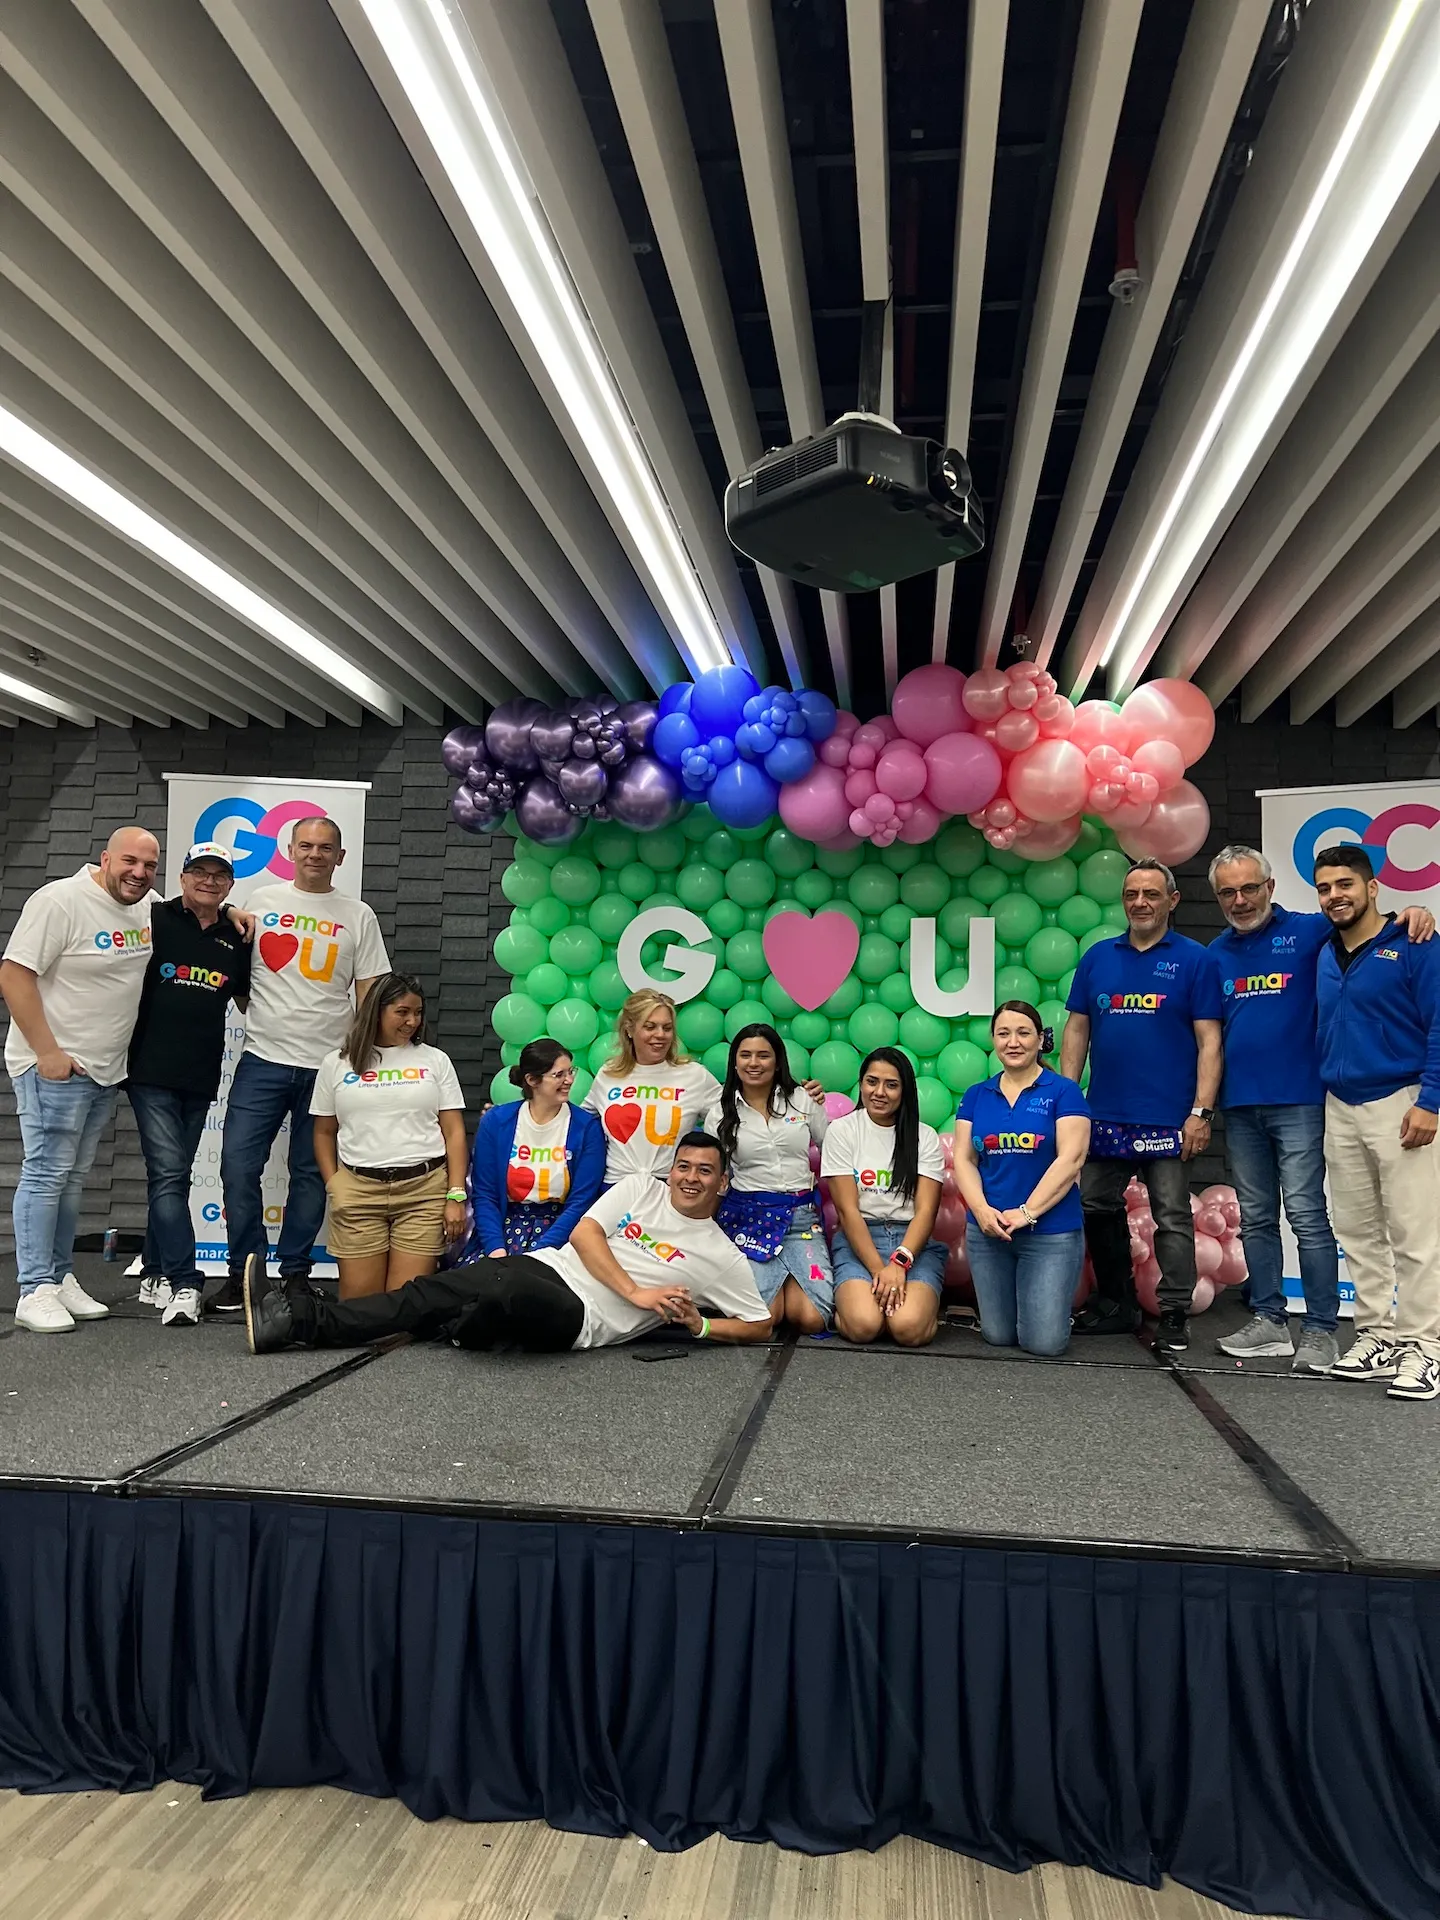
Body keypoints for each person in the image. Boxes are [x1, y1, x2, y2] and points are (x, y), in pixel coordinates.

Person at [1207, 844, 1434, 1374]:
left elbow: (1375, 926)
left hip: (1309, 1101)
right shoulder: (1218, 953)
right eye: (1227, 892)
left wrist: (1415, 911)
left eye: (1250, 888)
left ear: (1270, 888)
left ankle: (1328, 1331)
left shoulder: (1312, 932)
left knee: (1311, 1216)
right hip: (1249, 1103)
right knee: (1263, 1218)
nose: (1240, 900)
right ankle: (1275, 1321)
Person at [243, 1131, 774, 1355]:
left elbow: (760, 1324)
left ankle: (461, 1323)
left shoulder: (719, 1254)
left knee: (498, 1292)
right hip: (550, 1266)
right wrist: (637, 1292)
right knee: (429, 1292)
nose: (690, 1178)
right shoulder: (642, 1187)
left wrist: (700, 1325)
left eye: (704, 1171)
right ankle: (294, 1322)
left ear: (722, 1183)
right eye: (683, 1166)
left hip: (582, 1317)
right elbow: (586, 1234)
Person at [218, 815, 389, 1309]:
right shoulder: (261, 901)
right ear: (290, 850)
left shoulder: (358, 915)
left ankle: (295, 1274)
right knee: (237, 1166)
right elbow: (238, 967)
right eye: (307, 846)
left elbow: (369, 990)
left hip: (329, 1066)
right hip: (262, 1059)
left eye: (326, 847)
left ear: (340, 856)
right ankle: (246, 1274)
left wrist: (364, 1059)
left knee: (311, 1173)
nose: (315, 854)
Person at [1, 827, 162, 1333]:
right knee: (46, 1174)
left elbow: (193, 914)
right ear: (105, 858)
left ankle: (58, 1275)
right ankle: (33, 1288)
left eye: (149, 865)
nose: (139, 873)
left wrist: (234, 913)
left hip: (103, 1070)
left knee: (71, 1179)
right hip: (55, 1067)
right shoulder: (60, 901)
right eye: (129, 861)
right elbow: (14, 974)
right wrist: (47, 1052)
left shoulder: (147, 905)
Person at [1061, 857, 1223, 1353]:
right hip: (1104, 1114)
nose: (1140, 903)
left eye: (1152, 894)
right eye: (1132, 894)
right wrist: (1067, 1100)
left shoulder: (1196, 960)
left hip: (1168, 1119)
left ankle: (1174, 1311)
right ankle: (1117, 1302)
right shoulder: (1097, 958)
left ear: (1173, 900)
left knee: (1171, 1214)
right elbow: (1077, 1030)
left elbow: (1210, 1042)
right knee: (1095, 1204)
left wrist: (1200, 1112)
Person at [1313, 844, 1440, 1400]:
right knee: (1359, 1232)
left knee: (1415, 1233)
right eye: (1324, 888)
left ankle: (1425, 1347)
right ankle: (1377, 1335)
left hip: (1402, 1101)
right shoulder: (1322, 950)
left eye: (1345, 884)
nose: (1334, 896)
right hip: (1340, 1104)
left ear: (1372, 888)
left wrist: (1431, 1101)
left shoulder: (1416, 943)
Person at [126, 842, 252, 1328]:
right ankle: (185, 1281)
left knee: (172, 1176)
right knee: (169, 1174)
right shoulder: (153, 917)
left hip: (201, 1076)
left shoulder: (237, 936)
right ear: (181, 878)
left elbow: (248, 999)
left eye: (219, 875)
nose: (208, 881)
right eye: (199, 872)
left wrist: (235, 915)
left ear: (229, 885)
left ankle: (154, 1270)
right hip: (149, 1071)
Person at [309, 973, 468, 1299]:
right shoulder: (336, 1064)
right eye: (402, 1012)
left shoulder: (435, 1060)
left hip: (423, 1193)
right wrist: (334, 1184)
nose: (412, 1021)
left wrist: (455, 1195)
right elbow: (324, 1132)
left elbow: (454, 1132)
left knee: (403, 1306)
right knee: (360, 1306)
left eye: (418, 1012)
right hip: (358, 1192)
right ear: (376, 1011)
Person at [953, 1001, 1091, 1357]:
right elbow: (964, 1160)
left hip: (1050, 1233)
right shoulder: (976, 1095)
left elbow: (1071, 1159)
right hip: (989, 1233)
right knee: (998, 1335)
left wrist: (1027, 1212)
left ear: (1040, 1039)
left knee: (1043, 1343)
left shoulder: (1064, 1092)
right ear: (994, 1040)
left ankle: (1050, 1316)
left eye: (1023, 1033)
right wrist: (981, 1210)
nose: (1013, 1042)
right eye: (1003, 1033)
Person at [705, 1022, 833, 1332]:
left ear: (777, 1062)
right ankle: (780, 1279)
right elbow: (714, 1176)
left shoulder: (803, 1100)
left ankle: (789, 1275)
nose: (754, 1063)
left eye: (763, 1055)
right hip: (750, 1220)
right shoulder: (720, 1113)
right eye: (745, 1055)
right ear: (734, 1062)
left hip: (802, 1220)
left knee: (813, 1319)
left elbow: (833, 1151)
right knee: (765, 1317)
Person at [820, 1046, 947, 1347]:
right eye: (871, 1082)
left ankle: (920, 1309)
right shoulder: (841, 1131)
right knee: (864, 1326)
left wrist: (899, 1264)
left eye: (891, 1085)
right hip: (860, 1238)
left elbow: (926, 1212)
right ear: (861, 1083)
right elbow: (847, 1212)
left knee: (908, 1329)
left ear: (905, 1091)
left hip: (911, 1244)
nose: (879, 1092)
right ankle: (854, 1308)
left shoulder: (924, 1136)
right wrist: (881, 1272)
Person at [467, 1038, 605, 1257]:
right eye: (559, 1075)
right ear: (532, 1080)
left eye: (571, 1072)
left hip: (561, 1236)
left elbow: (582, 1201)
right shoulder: (496, 1122)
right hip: (502, 1232)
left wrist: (540, 1253)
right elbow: (485, 1195)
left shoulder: (586, 1127)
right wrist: (495, 1249)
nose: (569, 1080)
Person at [583, 990, 722, 1185]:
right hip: (616, 1187)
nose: (660, 1035)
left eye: (667, 1028)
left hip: (670, 1188)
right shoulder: (608, 1074)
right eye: (650, 1027)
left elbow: (730, 1120)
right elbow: (580, 1123)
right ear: (629, 1029)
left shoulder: (694, 1075)